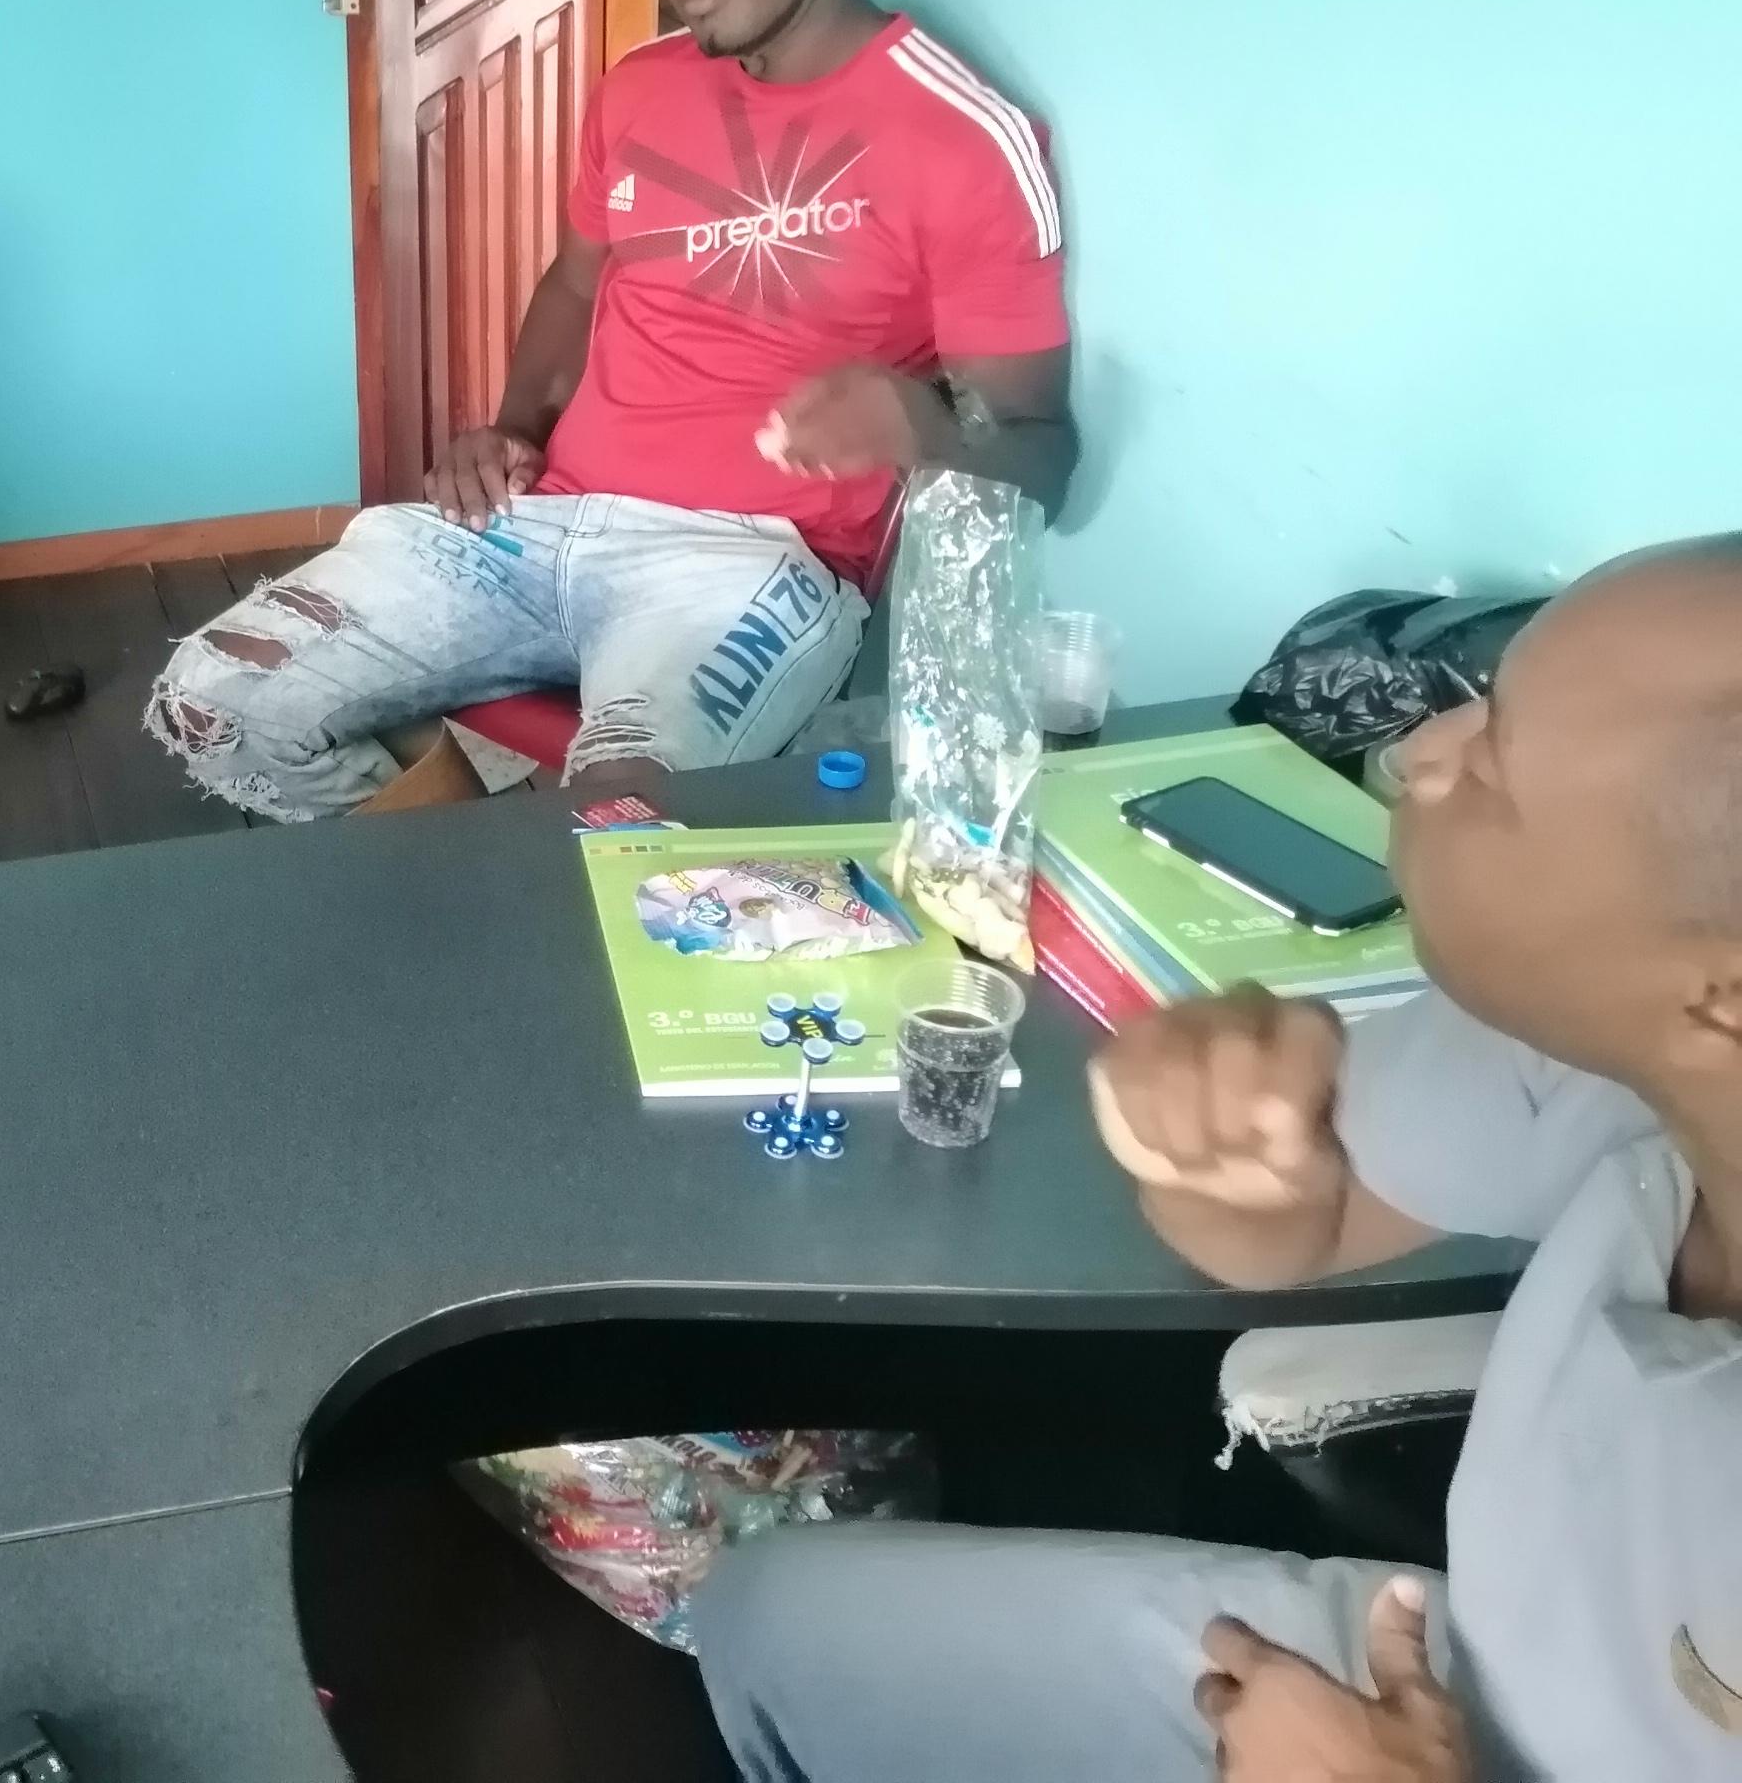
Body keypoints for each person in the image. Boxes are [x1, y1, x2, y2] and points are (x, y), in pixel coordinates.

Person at [694, 536, 1742, 1781]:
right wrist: (1220, 1151)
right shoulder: (1602, 1054)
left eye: (1493, 764)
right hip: (1448, 1685)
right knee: (768, 1621)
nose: (1419, 750)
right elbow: (1311, 1220)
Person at [148, 0, 1077, 814]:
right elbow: (575, 285)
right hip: (544, 522)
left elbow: (1045, 455)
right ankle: (463, 854)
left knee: (626, 813)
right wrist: (510, 429)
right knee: (212, 701)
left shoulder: (961, 135)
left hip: (744, 564)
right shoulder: (641, 87)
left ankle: (519, 869)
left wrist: (923, 427)